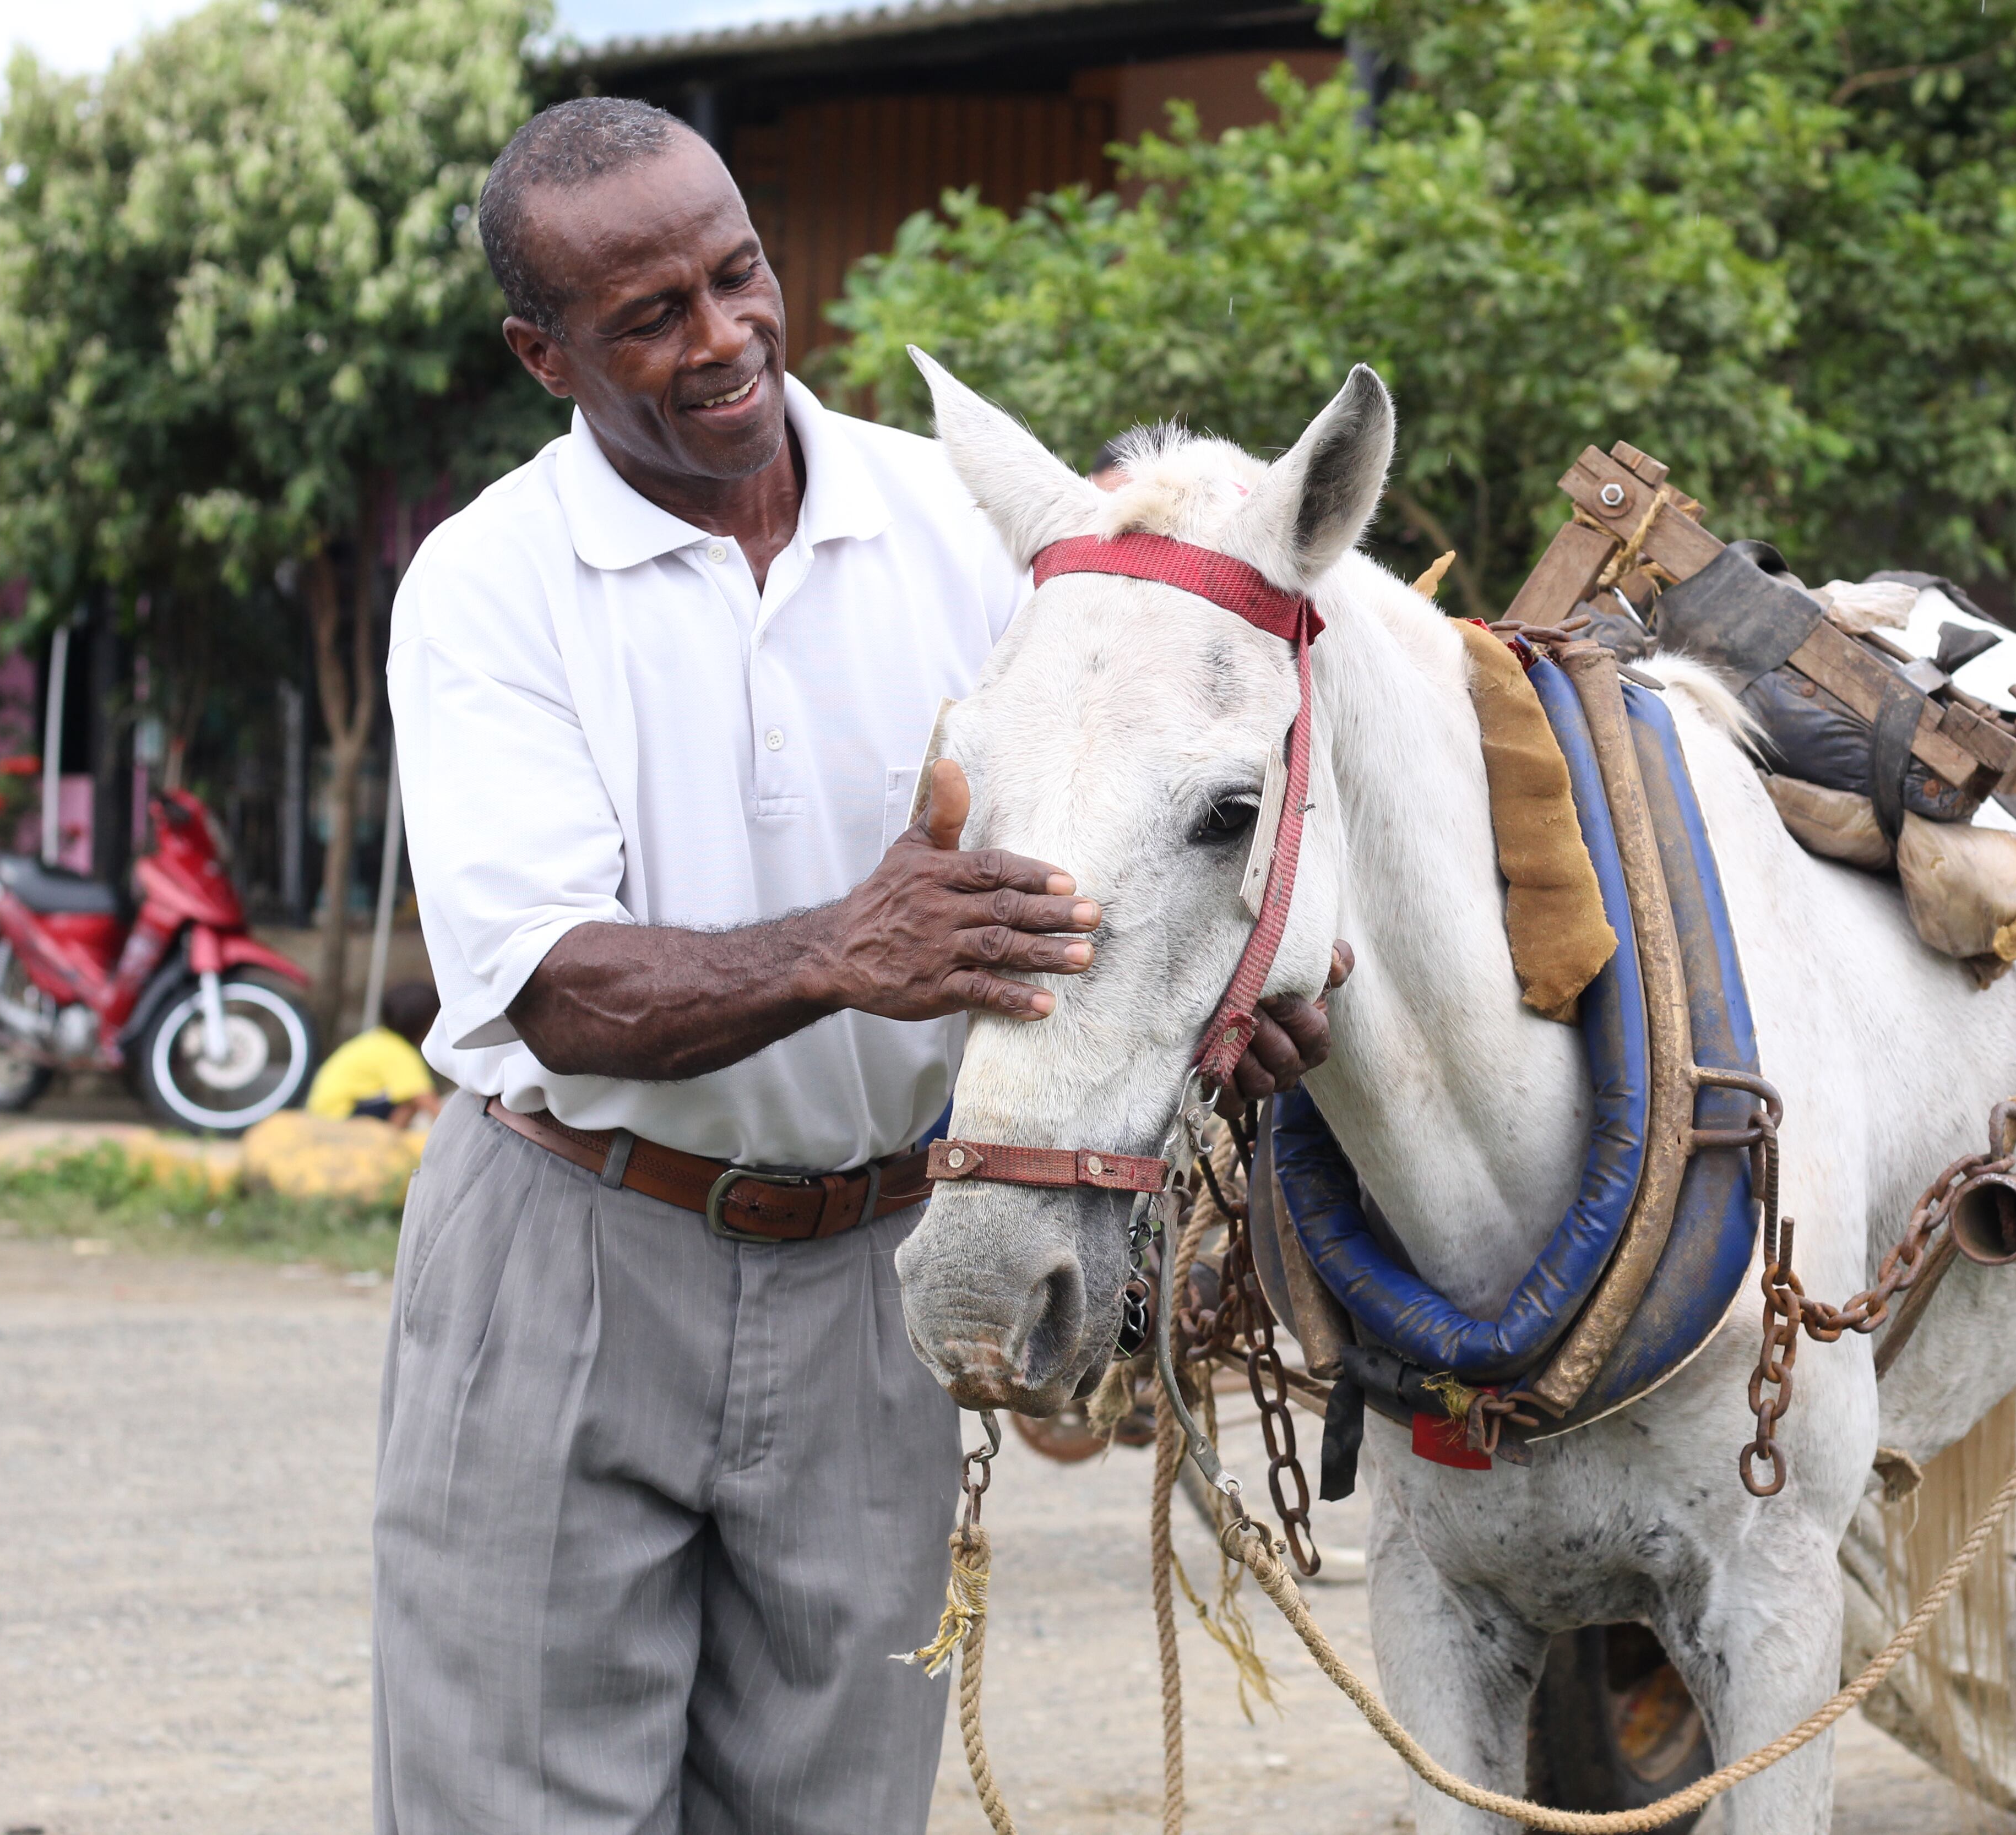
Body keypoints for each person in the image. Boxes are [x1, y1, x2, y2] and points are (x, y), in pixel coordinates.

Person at [374, 97, 1344, 1835]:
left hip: (875, 1264)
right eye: (648, 317)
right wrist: (843, 946)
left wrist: (1220, 1010)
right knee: (511, 1803)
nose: (724, 337)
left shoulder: (972, 535)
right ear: (544, 355)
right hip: (570, 1249)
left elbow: (1111, 852)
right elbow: (551, 987)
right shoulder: (488, 584)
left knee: (836, 1803)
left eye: (737, 275)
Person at [306, 982, 442, 1126]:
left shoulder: (378, 1040)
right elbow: (426, 1100)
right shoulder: (399, 1052)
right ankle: (390, 1140)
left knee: (404, 1096)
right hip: (341, 1116)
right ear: (428, 1025)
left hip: (324, 1111)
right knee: (410, 1101)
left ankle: (391, 1138)